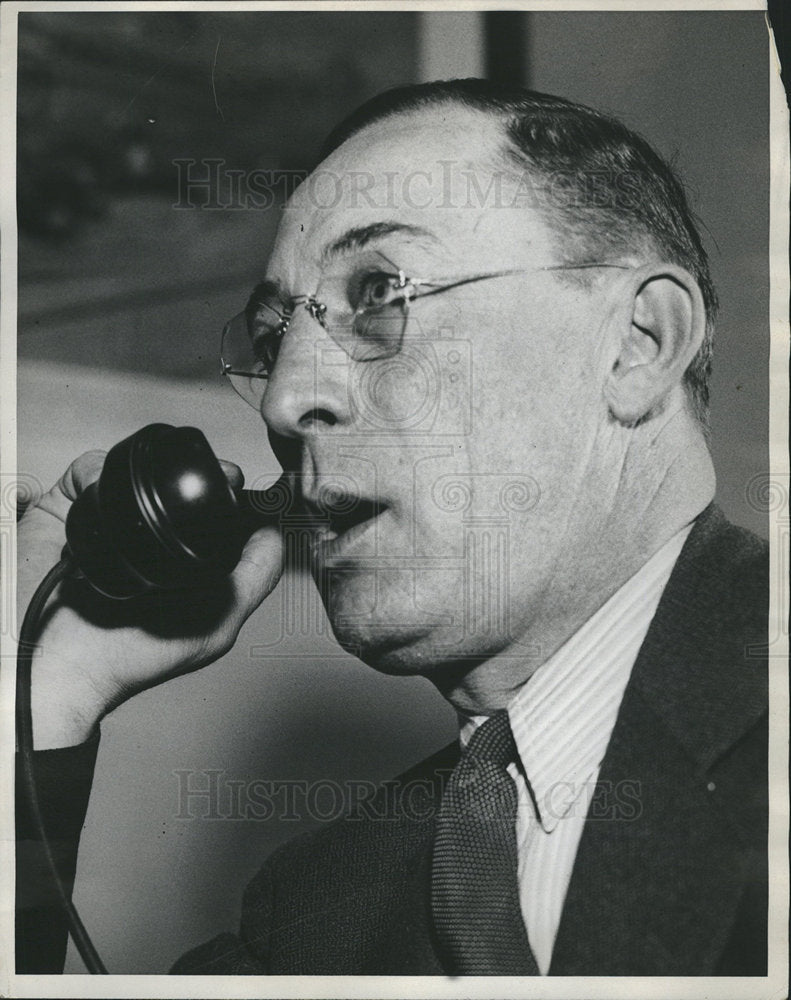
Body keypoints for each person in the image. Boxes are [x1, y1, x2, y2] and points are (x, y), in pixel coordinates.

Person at [16, 79, 768, 976]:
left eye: (378, 290)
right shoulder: (308, 916)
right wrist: (35, 691)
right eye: (269, 343)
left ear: (637, 342)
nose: (289, 399)